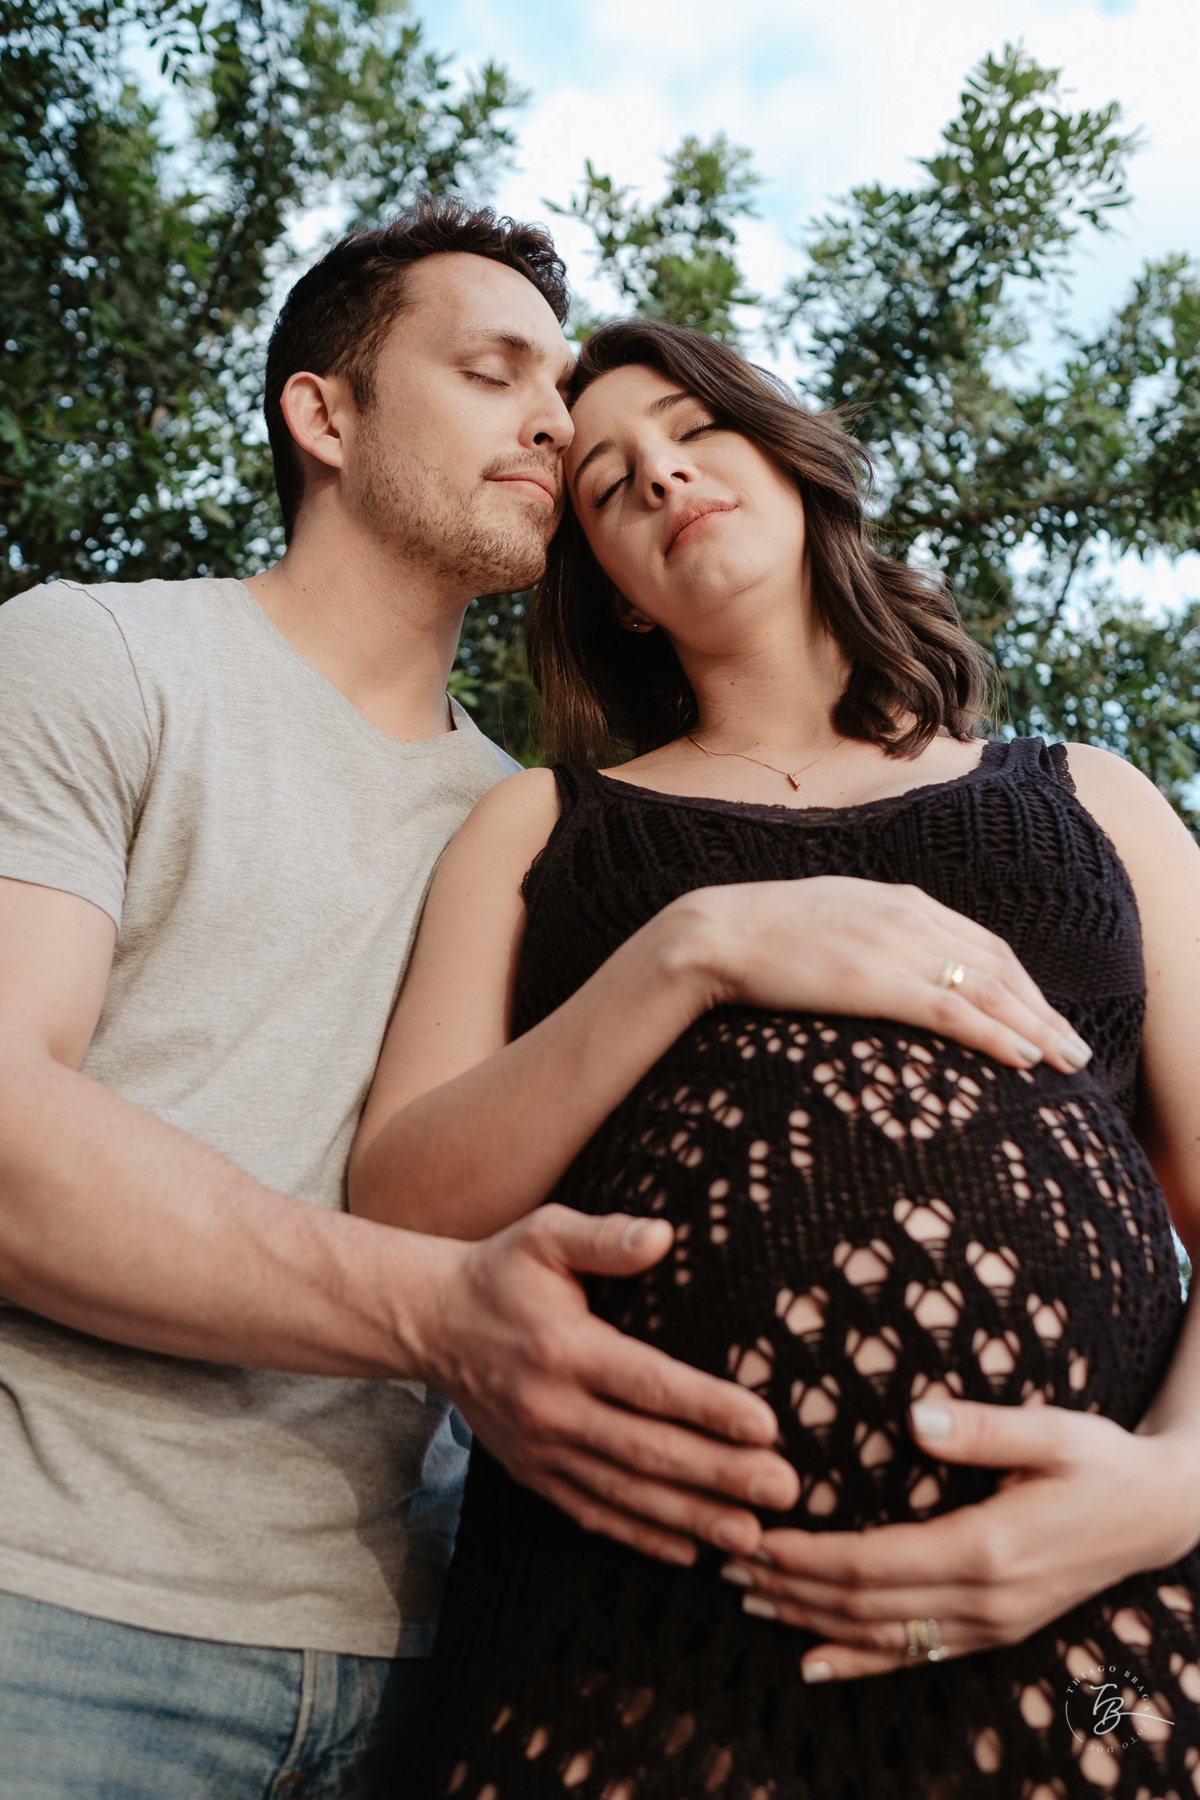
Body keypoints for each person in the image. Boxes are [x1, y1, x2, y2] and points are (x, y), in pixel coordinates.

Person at [0, 202, 1077, 1797]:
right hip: (66, 1615)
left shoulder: (543, 829)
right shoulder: (103, 655)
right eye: (495, 371)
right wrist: (431, 1310)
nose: (556, 423)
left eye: (556, 390)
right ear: (326, 415)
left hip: (430, 1636)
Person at [349, 320, 1200, 1796]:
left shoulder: (1097, 803)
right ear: (606, 587)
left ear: (795, 466)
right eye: (608, 485)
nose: (661, 475)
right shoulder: (539, 830)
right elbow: (402, 1207)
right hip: (630, 1631)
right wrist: (696, 949)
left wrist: (1178, 1487)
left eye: (694, 429)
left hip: (1089, 1624)